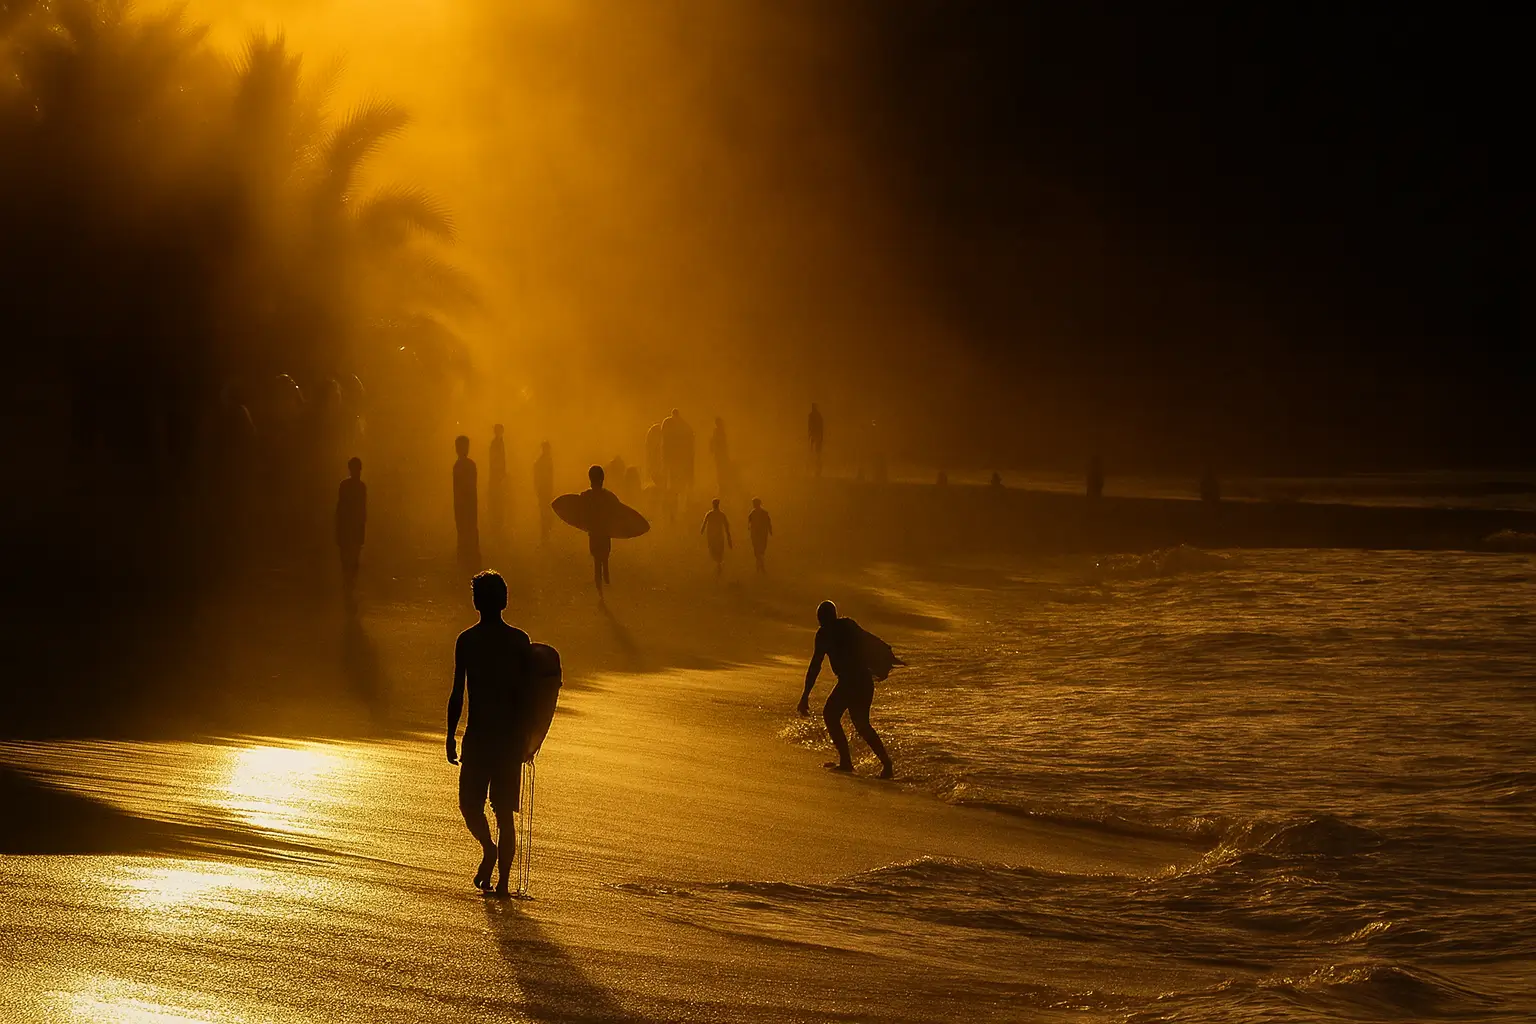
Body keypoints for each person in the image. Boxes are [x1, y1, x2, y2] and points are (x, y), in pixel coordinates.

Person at [446, 570, 534, 897]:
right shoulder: (491, 641)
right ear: (503, 600)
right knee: (484, 809)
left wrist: (450, 734)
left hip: (492, 738)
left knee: (488, 809)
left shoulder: (485, 641)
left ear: (477, 601)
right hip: (498, 738)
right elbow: (530, 696)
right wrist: (450, 733)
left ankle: (502, 878)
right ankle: (491, 854)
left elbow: (459, 694)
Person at [798, 600, 894, 778]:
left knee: (831, 715)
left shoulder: (824, 634)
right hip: (864, 680)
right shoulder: (848, 625)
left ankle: (846, 762)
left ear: (822, 618)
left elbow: (815, 666)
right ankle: (886, 764)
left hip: (851, 681)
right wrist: (888, 654)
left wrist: (805, 695)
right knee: (862, 724)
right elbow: (870, 639)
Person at [582, 464, 621, 596]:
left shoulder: (587, 496)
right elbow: (617, 510)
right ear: (602, 479)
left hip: (594, 531)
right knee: (604, 556)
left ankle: (600, 582)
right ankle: (605, 580)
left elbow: (579, 506)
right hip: (604, 531)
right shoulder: (608, 496)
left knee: (596, 557)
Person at [335, 457, 367, 607]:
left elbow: (362, 511)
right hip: (348, 529)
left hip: (352, 529)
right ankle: (348, 587)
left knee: (352, 561)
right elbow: (341, 509)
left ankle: (349, 586)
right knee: (348, 561)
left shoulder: (358, 487)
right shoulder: (350, 486)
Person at [661, 408, 695, 519]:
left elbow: (664, 438)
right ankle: (675, 508)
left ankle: (676, 508)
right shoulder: (681, 424)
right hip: (674, 458)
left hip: (673, 458)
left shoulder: (670, 423)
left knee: (674, 483)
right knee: (675, 483)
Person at [453, 435, 479, 573]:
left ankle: (466, 564)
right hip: (465, 506)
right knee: (467, 534)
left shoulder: (462, 466)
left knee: (465, 534)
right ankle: (468, 564)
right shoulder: (466, 465)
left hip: (465, 506)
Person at [700, 498, 732, 577]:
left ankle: (718, 565)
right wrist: (728, 537)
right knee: (718, 550)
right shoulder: (721, 514)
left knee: (713, 549)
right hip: (718, 535)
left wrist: (702, 530)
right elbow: (726, 526)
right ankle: (718, 564)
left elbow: (704, 523)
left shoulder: (710, 513)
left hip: (712, 536)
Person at [488, 424, 508, 539]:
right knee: (496, 501)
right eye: (498, 431)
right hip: (496, 477)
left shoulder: (501, 443)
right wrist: (499, 475)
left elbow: (502, 460)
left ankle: (499, 525)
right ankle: (496, 527)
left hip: (499, 477)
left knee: (500, 501)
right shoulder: (495, 444)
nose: (500, 433)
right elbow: (494, 461)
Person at [533, 441, 554, 544]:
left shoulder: (546, 461)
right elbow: (537, 478)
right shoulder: (540, 462)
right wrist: (538, 490)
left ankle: (546, 534)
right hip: (543, 491)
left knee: (546, 512)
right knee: (544, 513)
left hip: (547, 490)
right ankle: (545, 536)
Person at [747, 497, 773, 573]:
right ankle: (760, 566)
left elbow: (768, 522)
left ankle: (760, 566)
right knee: (759, 550)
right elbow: (749, 523)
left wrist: (770, 530)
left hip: (760, 534)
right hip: (759, 534)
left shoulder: (761, 513)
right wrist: (770, 530)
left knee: (760, 550)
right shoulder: (754, 513)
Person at [709, 416, 730, 492]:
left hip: (720, 454)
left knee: (721, 470)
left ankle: (722, 486)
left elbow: (713, 442)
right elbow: (716, 442)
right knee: (721, 470)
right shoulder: (719, 431)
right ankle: (722, 486)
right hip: (720, 454)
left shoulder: (717, 431)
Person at [807, 402, 824, 475]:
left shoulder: (813, 415)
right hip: (816, 435)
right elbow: (811, 426)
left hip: (816, 435)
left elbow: (810, 426)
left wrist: (810, 434)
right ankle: (816, 467)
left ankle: (817, 467)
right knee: (816, 451)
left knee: (816, 451)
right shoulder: (817, 415)